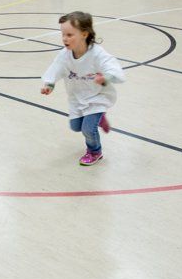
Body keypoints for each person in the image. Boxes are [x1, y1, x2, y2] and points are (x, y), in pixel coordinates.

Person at [39, 11, 125, 166]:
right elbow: (55, 69)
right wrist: (49, 85)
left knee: (87, 129)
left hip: (99, 96)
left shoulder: (97, 54)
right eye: (63, 34)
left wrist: (105, 77)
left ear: (84, 34)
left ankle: (95, 151)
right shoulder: (64, 55)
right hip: (78, 96)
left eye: (70, 34)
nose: (65, 38)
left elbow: (114, 69)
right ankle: (99, 118)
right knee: (76, 126)